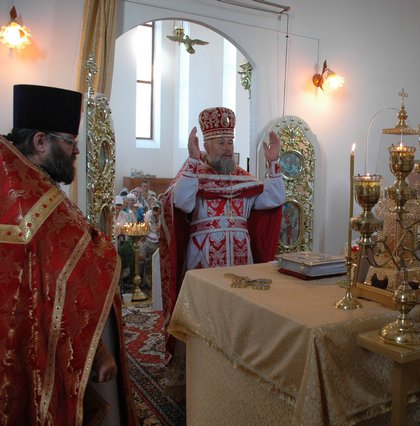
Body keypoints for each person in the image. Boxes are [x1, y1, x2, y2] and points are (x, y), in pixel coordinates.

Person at [0, 84, 136, 424]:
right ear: (40, 141)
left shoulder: (19, 183)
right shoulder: (34, 203)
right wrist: (99, 352)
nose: (76, 150)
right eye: (70, 141)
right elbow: (64, 281)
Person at [159, 106, 285, 397]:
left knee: (238, 321)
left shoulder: (244, 178)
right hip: (203, 261)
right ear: (206, 145)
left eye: (230, 142)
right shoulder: (194, 174)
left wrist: (273, 164)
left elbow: (274, 199)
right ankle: (200, 383)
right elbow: (180, 202)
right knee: (204, 321)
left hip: (241, 261)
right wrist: (192, 161)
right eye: (221, 142)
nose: (228, 148)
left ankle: (236, 379)